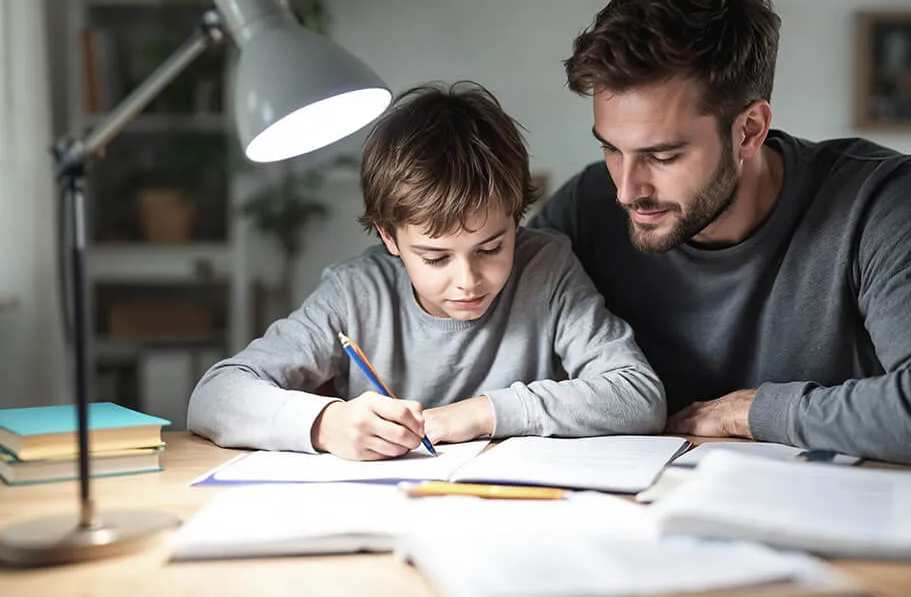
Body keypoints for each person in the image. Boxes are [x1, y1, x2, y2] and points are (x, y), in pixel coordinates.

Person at [530, 0, 911, 467]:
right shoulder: (586, 207)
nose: (627, 189)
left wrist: (752, 413)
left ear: (749, 129)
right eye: (611, 148)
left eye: (662, 155)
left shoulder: (880, 201)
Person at [188, 82, 666, 460]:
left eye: (491, 247)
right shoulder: (356, 294)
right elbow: (215, 395)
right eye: (436, 257)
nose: (467, 280)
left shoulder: (546, 268)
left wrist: (485, 412)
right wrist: (325, 423)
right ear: (389, 236)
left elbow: (638, 395)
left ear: (516, 215)